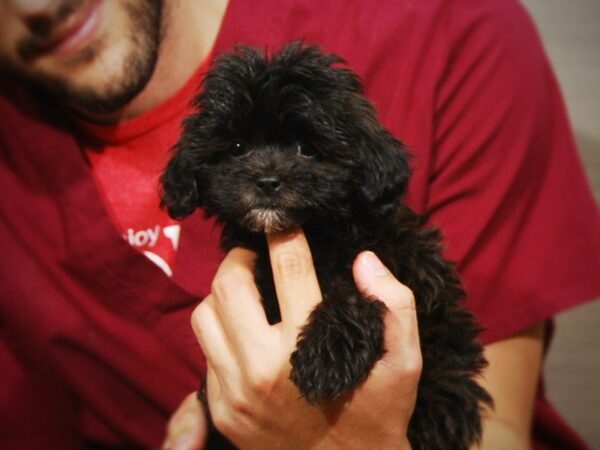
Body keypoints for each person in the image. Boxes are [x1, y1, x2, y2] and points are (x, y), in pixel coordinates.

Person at [0, 0, 598, 449]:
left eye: (302, 151)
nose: (38, 5)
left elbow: (489, 423)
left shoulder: (452, 25)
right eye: (235, 150)